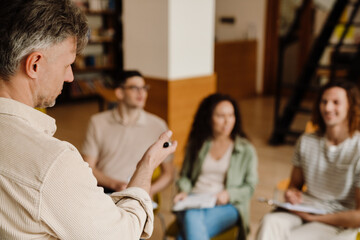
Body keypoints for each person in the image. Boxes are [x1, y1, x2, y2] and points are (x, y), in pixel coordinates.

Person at [0, 0, 177, 239]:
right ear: (34, 64)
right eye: (68, 64)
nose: (71, 77)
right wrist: (145, 167)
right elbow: (122, 234)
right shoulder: (52, 164)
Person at [256, 80, 360, 240]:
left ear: (350, 107)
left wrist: (314, 218)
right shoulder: (306, 141)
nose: (328, 108)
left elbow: (358, 216)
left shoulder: (357, 147)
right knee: (270, 222)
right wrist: (292, 194)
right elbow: (294, 185)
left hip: (337, 220)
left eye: (336, 102)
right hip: (305, 208)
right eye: (324, 102)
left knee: (296, 237)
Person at [173, 93, 258, 240]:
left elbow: (250, 187)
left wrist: (229, 194)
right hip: (194, 200)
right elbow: (185, 176)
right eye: (220, 116)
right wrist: (184, 191)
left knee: (187, 229)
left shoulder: (246, 149)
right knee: (192, 217)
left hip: (228, 206)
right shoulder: (197, 144)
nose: (227, 122)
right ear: (208, 118)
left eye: (231, 116)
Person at [81, 70, 174, 197]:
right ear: (119, 93)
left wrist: (149, 191)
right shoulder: (97, 122)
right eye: (135, 88)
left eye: (144, 88)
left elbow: (168, 174)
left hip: (141, 192)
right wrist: (115, 185)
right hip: (105, 190)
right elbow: (88, 167)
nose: (142, 93)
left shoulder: (158, 125)